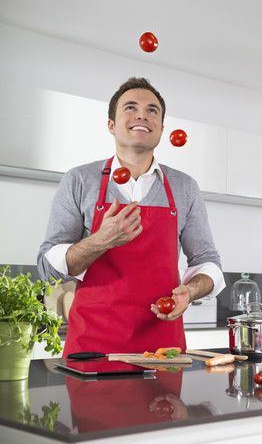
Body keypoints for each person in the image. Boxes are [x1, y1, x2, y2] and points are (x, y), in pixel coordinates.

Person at [37, 77, 225, 356]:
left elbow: (208, 263)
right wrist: (100, 241)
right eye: (130, 107)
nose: (142, 115)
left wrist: (190, 292)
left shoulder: (185, 187)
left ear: (161, 129)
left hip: (163, 348)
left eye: (152, 110)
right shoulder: (78, 180)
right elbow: (47, 266)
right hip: (93, 345)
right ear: (111, 126)